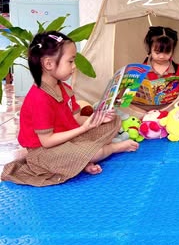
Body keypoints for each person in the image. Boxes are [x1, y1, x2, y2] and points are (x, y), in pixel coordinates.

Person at [1, 31, 139, 187]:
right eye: (70, 61)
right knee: (96, 152)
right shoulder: (39, 98)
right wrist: (84, 129)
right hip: (44, 151)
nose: (74, 67)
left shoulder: (64, 88)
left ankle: (79, 161)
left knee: (114, 121)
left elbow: (76, 118)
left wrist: (98, 118)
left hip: (68, 138)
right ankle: (111, 149)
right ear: (48, 64)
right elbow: (47, 141)